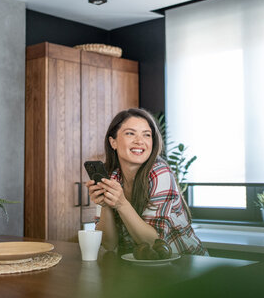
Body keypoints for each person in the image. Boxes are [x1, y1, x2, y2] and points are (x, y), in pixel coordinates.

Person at [86, 108, 207, 256]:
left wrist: (121, 203)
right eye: (130, 133)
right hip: (140, 267)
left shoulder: (159, 173)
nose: (139, 141)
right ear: (113, 142)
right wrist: (106, 205)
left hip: (185, 263)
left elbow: (153, 243)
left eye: (147, 135)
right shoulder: (112, 178)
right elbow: (109, 244)